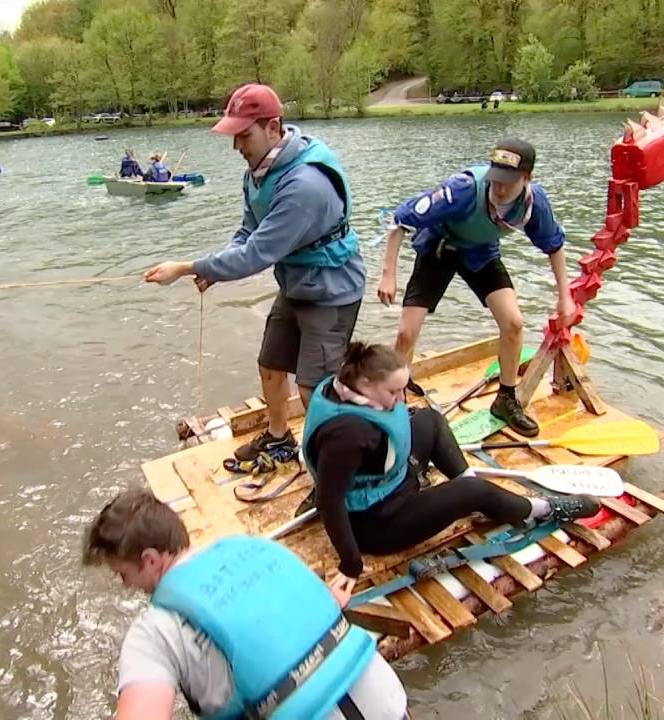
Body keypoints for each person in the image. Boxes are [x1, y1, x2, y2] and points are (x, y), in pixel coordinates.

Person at [143, 83, 365, 464]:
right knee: (270, 364)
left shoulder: (305, 185)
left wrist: (187, 268)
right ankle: (280, 439)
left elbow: (258, 254)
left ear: (273, 128)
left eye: (243, 135)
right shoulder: (259, 171)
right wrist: (216, 267)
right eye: (233, 136)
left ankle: (330, 467)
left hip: (331, 289)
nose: (237, 147)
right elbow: (248, 233)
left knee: (315, 389)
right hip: (297, 282)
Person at [83, 487, 409, 719]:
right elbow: (324, 606)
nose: (123, 585)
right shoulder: (260, 549)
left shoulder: (153, 632)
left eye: (122, 573)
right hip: (386, 699)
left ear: (151, 560)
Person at [301, 341, 601, 586]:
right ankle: (543, 510)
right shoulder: (348, 435)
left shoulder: (345, 384)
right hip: (376, 523)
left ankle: (471, 490)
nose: (400, 398)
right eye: (393, 392)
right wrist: (351, 565)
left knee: (429, 419)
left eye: (401, 388)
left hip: (391, 480)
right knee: (474, 491)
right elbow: (329, 500)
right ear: (365, 383)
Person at [377, 137, 575, 437]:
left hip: (480, 252)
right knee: (406, 333)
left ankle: (506, 400)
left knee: (513, 322)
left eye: (509, 182)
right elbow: (400, 219)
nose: (500, 188)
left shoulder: (534, 203)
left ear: (527, 178)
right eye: (496, 179)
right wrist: (388, 273)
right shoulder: (462, 189)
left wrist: (565, 296)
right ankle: (394, 401)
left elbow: (554, 246)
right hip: (438, 249)